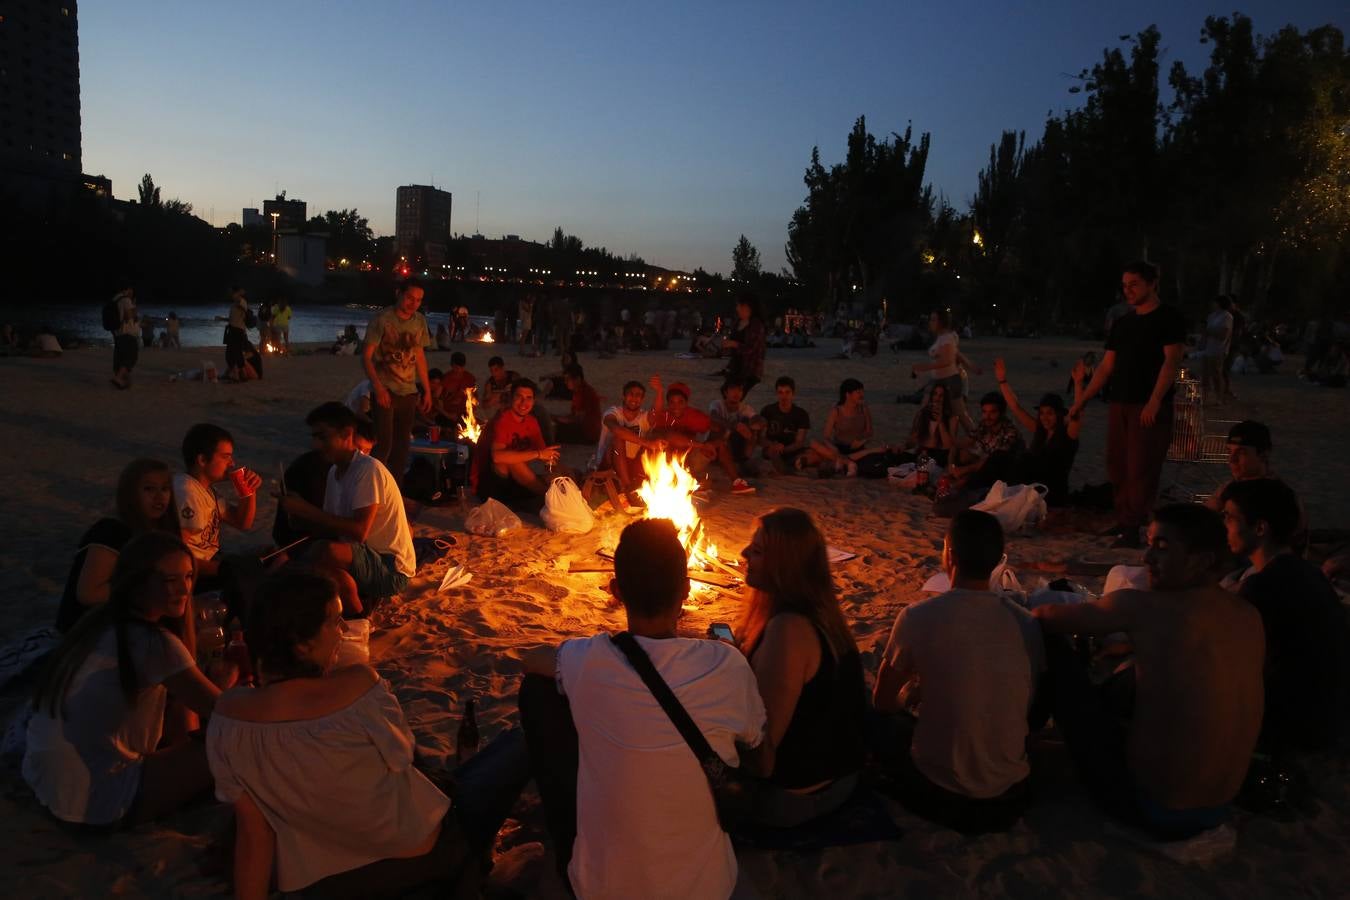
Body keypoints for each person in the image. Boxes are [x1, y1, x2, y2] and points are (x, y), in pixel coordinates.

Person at [207, 569, 528, 898]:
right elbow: (403, 758)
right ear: (302, 645)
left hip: (331, 884)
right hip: (419, 856)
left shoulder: (229, 716)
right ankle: (478, 860)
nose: (344, 631)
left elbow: (254, 833)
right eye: (335, 621)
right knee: (519, 745)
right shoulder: (357, 684)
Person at [519, 519, 768, 899]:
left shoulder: (587, 660)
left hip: (599, 887)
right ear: (686, 589)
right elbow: (756, 745)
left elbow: (531, 659)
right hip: (708, 888)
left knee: (539, 691)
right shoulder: (727, 664)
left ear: (616, 591)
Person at [1034, 504, 1265, 840]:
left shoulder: (1141, 607)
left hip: (1152, 807)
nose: (1147, 559)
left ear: (1202, 560)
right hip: (1219, 806)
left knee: (1055, 651)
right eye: (1149, 544)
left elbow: (1045, 617)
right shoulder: (1247, 614)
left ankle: (1019, 746)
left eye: (1163, 548)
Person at [25, 533, 235, 826]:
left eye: (188, 576)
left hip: (46, 779)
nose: (183, 589)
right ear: (138, 582)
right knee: (233, 743)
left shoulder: (97, 622)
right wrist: (232, 677)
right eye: (168, 580)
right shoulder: (153, 643)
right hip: (99, 798)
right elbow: (228, 715)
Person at [873, 510, 1045, 833]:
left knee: (878, 725)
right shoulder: (1026, 622)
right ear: (996, 561)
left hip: (942, 792)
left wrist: (910, 695)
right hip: (1010, 794)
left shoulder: (917, 617)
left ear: (948, 552)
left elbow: (882, 703)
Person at [735, 508, 865, 825]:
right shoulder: (819, 611)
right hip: (840, 774)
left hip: (799, 796)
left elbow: (761, 759)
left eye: (758, 551)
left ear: (784, 566)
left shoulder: (789, 631)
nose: (743, 554)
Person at [1219, 479, 1350, 755]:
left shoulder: (1263, 586)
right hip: (1327, 717)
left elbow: (1225, 656)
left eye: (1229, 518)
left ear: (1260, 528)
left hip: (1292, 727)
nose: (1224, 526)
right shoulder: (1307, 572)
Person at [1070, 261, 1187, 548]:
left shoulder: (1168, 318)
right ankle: (1124, 520)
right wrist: (1081, 400)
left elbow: (1171, 362)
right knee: (1118, 464)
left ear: (1151, 283)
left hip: (1147, 405)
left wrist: (1155, 400)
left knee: (1142, 466)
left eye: (1134, 284)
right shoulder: (1124, 322)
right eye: (1124, 285)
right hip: (1119, 402)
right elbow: (1107, 367)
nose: (1128, 291)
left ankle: (1134, 526)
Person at [274, 403, 417, 616]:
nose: (316, 445)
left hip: (390, 567)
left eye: (322, 437)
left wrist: (306, 510)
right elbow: (331, 526)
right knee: (323, 568)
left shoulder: (368, 469)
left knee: (324, 553)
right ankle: (358, 619)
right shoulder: (335, 472)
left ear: (347, 434)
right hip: (360, 555)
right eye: (314, 437)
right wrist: (295, 513)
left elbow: (359, 532)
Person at [58, 459, 181, 633]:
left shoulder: (161, 532)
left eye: (165, 489)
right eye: (149, 489)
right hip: (93, 629)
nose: (159, 497)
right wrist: (148, 587)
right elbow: (89, 593)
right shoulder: (112, 531)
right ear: (130, 493)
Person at [363, 278, 433, 488]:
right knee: (384, 444)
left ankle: (395, 491)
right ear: (399, 294)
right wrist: (378, 387)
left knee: (402, 446)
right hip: (386, 389)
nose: (413, 303)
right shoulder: (382, 319)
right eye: (410, 298)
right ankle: (371, 487)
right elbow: (366, 357)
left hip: (409, 391)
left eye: (418, 300)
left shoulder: (419, 321)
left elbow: (419, 356)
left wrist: (427, 390)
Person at [174, 423, 262, 581]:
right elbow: (176, 553)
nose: (232, 463)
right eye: (225, 457)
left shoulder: (206, 490)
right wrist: (226, 570)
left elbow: (242, 522)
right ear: (202, 460)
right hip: (195, 575)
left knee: (273, 555)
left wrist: (248, 489)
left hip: (211, 562)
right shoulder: (187, 492)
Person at [272, 415, 375, 549]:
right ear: (347, 439)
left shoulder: (357, 468)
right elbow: (335, 526)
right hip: (303, 542)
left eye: (368, 451)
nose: (362, 456)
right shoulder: (327, 469)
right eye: (359, 449)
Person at [994, 357, 1084, 507]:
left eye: (1049, 413)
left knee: (1024, 460)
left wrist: (1078, 384)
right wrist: (1002, 381)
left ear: (1059, 415)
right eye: (1042, 413)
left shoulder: (1067, 435)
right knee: (999, 457)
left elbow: (1078, 414)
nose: (1044, 417)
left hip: (1051, 491)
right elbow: (1016, 407)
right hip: (1032, 483)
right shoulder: (1040, 432)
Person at [471, 379, 560, 504]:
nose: (524, 402)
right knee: (511, 459)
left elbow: (546, 456)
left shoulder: (531, 421)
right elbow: (497, 457)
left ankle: (552, 494)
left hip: (513, 481)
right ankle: (549, 495)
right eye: (519, 397)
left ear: (533, 401)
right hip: (489, 483)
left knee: (565, 472)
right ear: (511, 398)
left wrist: (554, 470)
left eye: (529, 398)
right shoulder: (502, 420)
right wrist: (538, 454)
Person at [593, 376, 665, 495]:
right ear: (623, 396)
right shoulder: (613, 412)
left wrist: (659, 391)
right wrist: (646, 443)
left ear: (642, 400)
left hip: (631, 464)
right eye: (631, 394)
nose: (634, 398)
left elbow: (656, 413)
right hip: (609, 462)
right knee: (618, 439)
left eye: (638, 395)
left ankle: (656, 483)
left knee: (658, 441)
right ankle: (628, 488)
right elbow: (616, 430)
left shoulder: (643, 417)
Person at [807, 378, 888, 477]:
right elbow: (826, 436)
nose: (861, 395)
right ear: (848, 394)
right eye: (858, 392)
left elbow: (869, 431)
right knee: (813, 443)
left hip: (858, 447)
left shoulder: (864, 408)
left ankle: (842, 461)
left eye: (862, 392)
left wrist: (860, 439)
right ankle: (846, 461)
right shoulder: (836, 411)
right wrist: (832, 447)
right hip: (840, 447)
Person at [910, 309, 974, 430]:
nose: (930, 322)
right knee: (926, 408)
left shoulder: (948, 338)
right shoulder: (943, 337)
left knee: (958, 413)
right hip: (942, 379)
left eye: (933, 320)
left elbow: (949, 360)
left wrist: (922, 367)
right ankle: (917, 439)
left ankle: (977, 439)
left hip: (949, 379)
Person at [948, 391, 1025, 489]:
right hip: (987, 464)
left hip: (1007, 472)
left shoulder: (1010, 432)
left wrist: (963, 470)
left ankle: (958, 485)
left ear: (1002, 413)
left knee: (983, 465)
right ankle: (953, 480)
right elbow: (962, 443)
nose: (987, 417)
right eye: (984, 412)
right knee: (963, 454)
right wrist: (951, 465)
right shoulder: (984, 425)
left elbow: (994, 460)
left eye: (992, 412)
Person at [647, 382, 722, 478]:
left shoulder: (694, 416)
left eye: (680, 402)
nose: (676, 406)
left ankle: (736, 480)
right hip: (664, 458)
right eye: (672, 402)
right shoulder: (662, 415)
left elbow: (718, 429)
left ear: (686, 403)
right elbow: (671, 437)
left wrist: (712, 445)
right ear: (668, 403)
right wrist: (702, 445)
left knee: (712, 450)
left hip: (689, 459)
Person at [708, 379, 764, 491]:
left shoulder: (744, 408)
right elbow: (713, 416)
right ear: (725, 392)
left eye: (739, 390)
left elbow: (756, 419)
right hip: (716, 445)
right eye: (732, 390)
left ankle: (743, 460)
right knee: (718, 426)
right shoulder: (717, 404)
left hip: (734, 446)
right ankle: (736, 477)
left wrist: (754, 425)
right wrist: (734, 426)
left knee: (752, 426)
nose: (736, 393)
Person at [760, 375, 813, 473]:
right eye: (780, 392)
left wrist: (784, 449)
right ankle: (783, 471)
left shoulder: (801, 414)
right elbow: (761, 438)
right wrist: (773, 445)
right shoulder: (767, 411)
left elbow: (799, 442)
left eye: (787, 392)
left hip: (792, 450)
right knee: (773, 452)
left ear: (793, 394)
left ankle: (795, 463)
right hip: (772, 449)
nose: (784, 397)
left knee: (814, 452)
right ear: (777, 394)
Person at [901, 381, 958, 466]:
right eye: (935, 394)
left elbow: (949, 446)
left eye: (941, 396)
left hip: (940, 454)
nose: (937, 398)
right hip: (923, 452)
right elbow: (912, 441)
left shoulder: (952, 418)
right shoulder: (922, 414)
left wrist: (940, 422)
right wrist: (904, 446)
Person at [720, 292, 767, 397]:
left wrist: (734, 344)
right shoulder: (738, 322)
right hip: (736, 366)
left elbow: (752, 349)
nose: (736, 308)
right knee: (725, 391)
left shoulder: (756, 324)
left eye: (738, 305)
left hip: (749, 369)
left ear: (746, 306)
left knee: (733, 394)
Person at [553, 364, 603, 446]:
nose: (565, 382)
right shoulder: (579, 391)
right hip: (587, 431)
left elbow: (577, 419)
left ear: (577, 379)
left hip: (587, 434)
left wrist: (555, 418)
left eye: (567, 379)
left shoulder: (586, 393)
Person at [1202, 296, 1234, 403]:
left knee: (1216, 374)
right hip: (1208, 349)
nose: (1212, 304)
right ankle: (1204, 396)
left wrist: (1209, 332)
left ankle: (1219, 397)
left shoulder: (1227, 317)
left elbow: (1224, 334)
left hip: (1219, 349)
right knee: (1205, 373)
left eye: (1214, 302)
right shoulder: (1211, 316)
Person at [438, 351, 477, 426]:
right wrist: (448, 414)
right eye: (456, 367)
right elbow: (436, 399)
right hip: (447, 414)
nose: (459, 370)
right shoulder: (446, 379)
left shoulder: (470, 378)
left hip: (464, 415)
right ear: (452, 366)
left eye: (461, 367)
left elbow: (474, 399)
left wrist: (471, 413)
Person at [110, 285, 139, 389]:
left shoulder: (114, 299)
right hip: (126, 333)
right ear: (127, 289)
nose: (132, 291)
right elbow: (129, 316)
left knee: (120, 357)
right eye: (131, 289)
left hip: (117, 333)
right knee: (131, 357)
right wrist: (134, 305)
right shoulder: (126, 300)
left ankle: (124, 381)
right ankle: (118, 378)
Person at [224, 287, 251, 382]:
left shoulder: (242, 301)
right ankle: (241, 375)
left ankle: (237, 376)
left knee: (234, 353)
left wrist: (239, 292)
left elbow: (239, 302)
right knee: (233, 353)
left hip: (238, 331)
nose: (231, 295)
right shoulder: (234, 304)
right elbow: (233, 319)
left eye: (232, 293)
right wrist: (221, 319)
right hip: (233, 330)